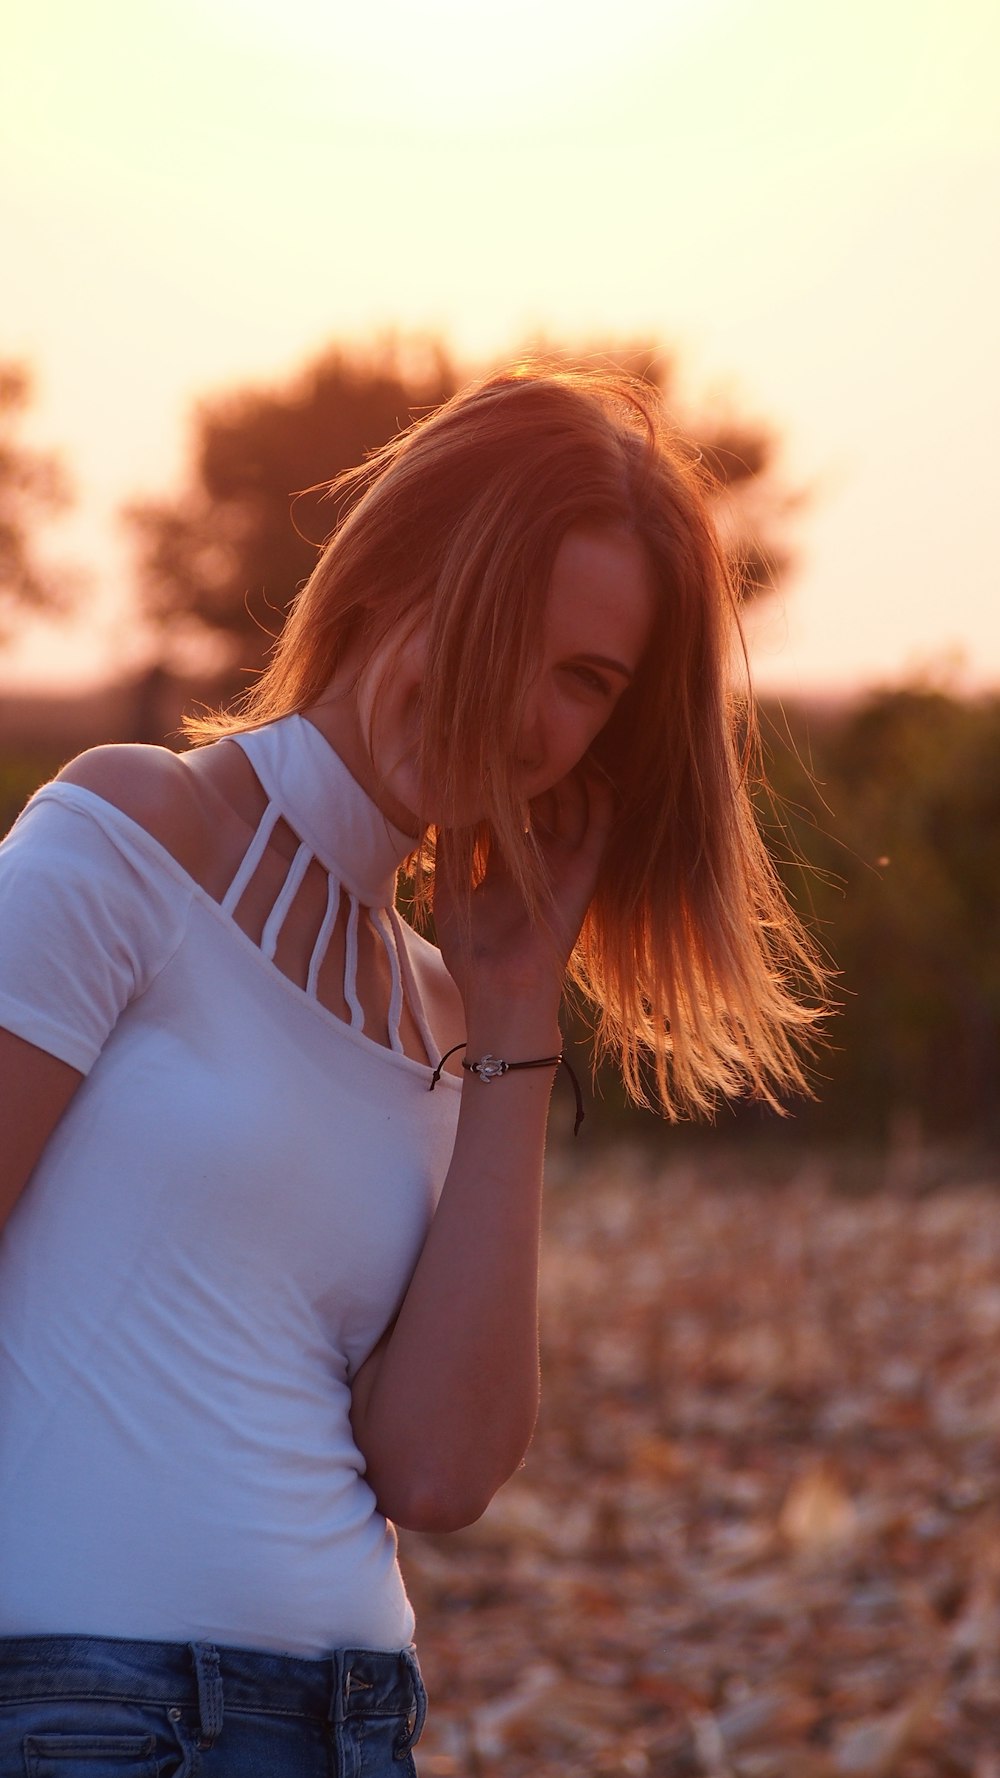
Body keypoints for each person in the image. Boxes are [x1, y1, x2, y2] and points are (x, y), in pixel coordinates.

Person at [0, 364, 824, 1774]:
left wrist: (513, 1016)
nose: (525, 709)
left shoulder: (444, 1009)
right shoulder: (130, 836)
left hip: (359, 1727)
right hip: (94, 1719)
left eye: (584, 682)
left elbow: (441, 1470)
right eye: (503, 627)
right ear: (391, 574)